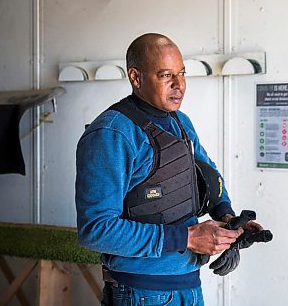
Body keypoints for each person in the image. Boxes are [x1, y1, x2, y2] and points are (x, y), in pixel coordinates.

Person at [75, 33, 263, 306]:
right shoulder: (112, 134)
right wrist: (187, 237)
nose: (179, 85)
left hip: (189, 286)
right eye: (165, 75)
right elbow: (96, 229)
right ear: (136, 78)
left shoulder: (181, 122)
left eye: (182, 73)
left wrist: (229, 222)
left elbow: (209, 175)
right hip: (140, 294)